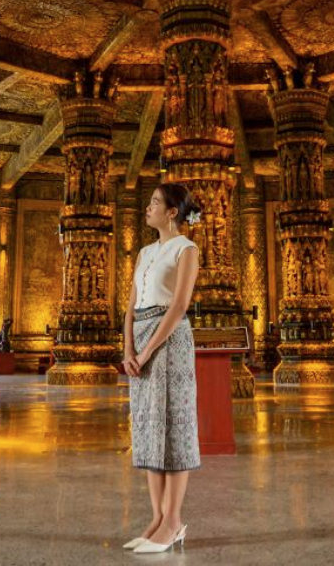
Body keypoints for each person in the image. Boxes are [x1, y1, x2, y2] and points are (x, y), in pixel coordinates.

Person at [121, 182, 202, 554]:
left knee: (174, 426)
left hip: (169, 342)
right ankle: (156, 518)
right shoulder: (143, 252)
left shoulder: (186, 250)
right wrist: (128, 351)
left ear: (172, 212)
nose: (148, 207)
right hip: (139, 341)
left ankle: (174, 521)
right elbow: (131, 305)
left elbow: (179, 305)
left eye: (155, 202)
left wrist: (149, 349)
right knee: (148, 427)